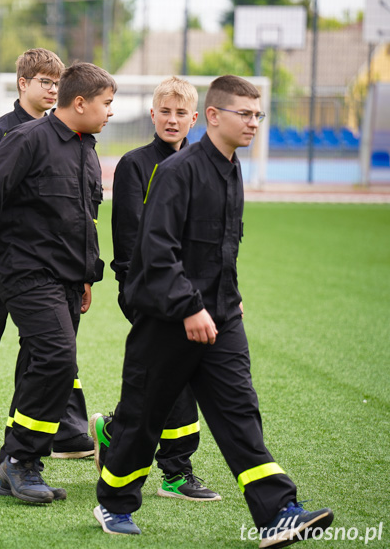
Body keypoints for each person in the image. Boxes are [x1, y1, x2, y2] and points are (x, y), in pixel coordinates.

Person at [92, 75, 333, 547]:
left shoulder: (232, 168)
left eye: (257, 114)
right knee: (143, 419)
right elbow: (154, 251)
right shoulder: (178, 172)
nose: (253, 123)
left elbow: (222, 248)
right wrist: (187, 307)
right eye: (244, 114)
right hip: (167, 322)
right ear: (215, 117)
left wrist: (228, 297)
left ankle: (278, 511)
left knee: (240, 412)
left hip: (220, 319)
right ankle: (113, 502)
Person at [0, 62, 115, 503]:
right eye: (107, 103)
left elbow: (84, 217)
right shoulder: (26, 140)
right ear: (79, 102)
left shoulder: (86, 148)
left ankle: (18, 463)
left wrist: (86, 275)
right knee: (57, 357)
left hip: (67, 278)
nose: (111, 112)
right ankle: (20, 461)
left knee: (43, 366)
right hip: (25, 271)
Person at [90, 76, 221, 501]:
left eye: (181, 113)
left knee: (163, 376)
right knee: (178, 372)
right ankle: (176, 471)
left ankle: (112, 430)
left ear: (195, 119)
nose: (172, 119)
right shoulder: (135, 164)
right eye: (165, 111)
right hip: (147, 290)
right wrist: (137, 291)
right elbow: (128, 237)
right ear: (152, 114)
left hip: (193, 294)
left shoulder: (206, 165)